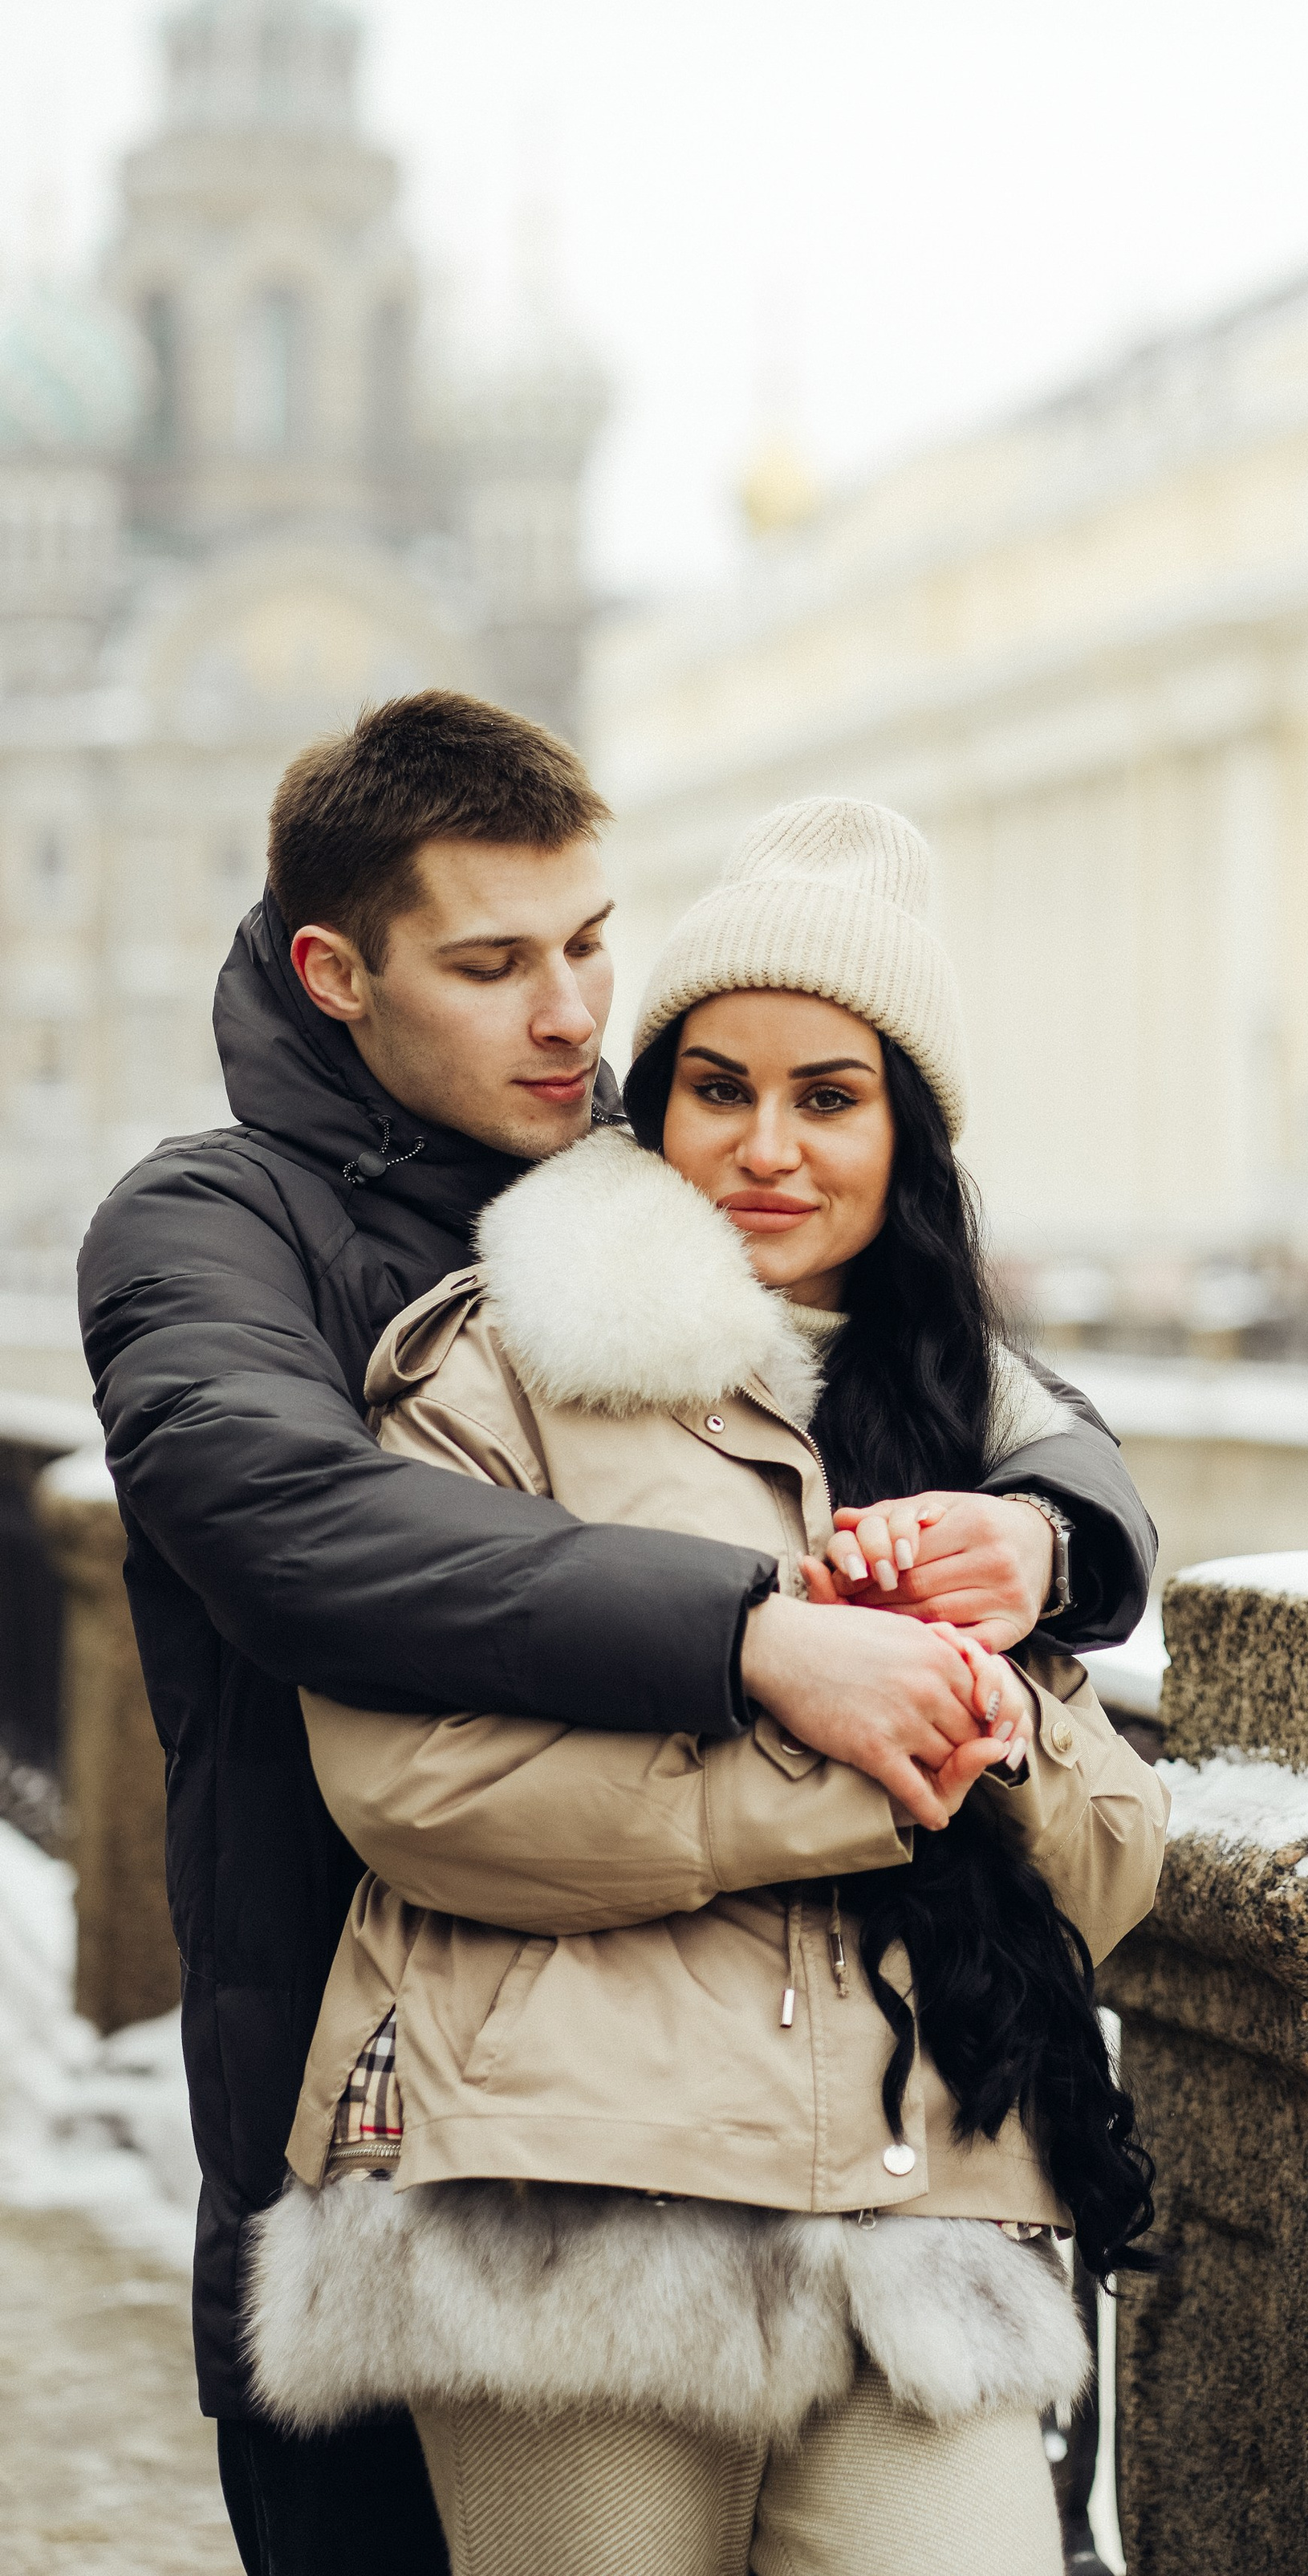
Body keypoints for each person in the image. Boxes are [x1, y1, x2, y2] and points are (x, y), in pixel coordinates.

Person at [77, 701, 1157, 2576]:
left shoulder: (717, 1237)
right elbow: (296, 1530)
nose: (571, 1016)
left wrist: (1053, 1539)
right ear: (337, 973)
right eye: (494, 964)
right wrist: (779, 1657)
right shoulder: (219, 1228)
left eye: (588, 947)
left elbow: (1015, 1425)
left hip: (880, 2174)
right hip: (470, 2126)